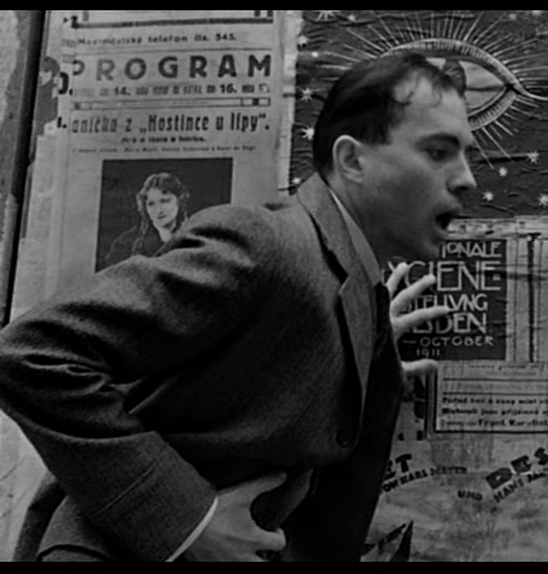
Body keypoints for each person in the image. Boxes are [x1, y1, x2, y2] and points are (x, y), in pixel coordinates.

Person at [0, 51, 477, 561]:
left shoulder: (352, 286)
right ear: (352, 160)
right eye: (437, 151)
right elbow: (30, 353)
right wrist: (188, 523)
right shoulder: (265, 245)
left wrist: (366, 350)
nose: (467, 178)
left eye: (467, 155)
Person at [101, 172, 190, 269]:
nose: (158, 210)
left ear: (179, 201)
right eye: (151, 204)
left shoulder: (194, 236)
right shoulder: (125, 244)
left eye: (164, 201)